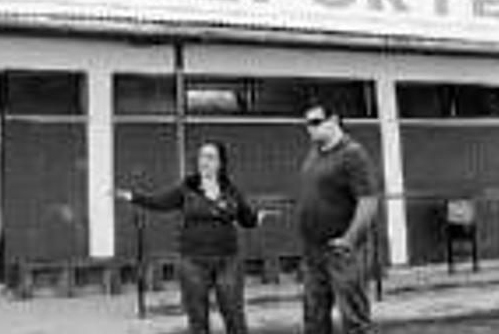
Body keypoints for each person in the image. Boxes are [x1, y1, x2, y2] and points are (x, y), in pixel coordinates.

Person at [114, 141, 272, 334]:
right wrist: (132, 196)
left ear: (220, 162)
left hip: (228, 261)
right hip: (193, 262)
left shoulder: (231, 190)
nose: (204, 161)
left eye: (210, 157)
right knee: (197, 320)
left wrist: (257, 218)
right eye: (201, 156)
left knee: (235, 316)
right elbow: (159, 201)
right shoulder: (187, 188)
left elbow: (246, 218)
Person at [297, 102, 380, 334]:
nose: (309, 128)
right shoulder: (314, 154)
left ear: (333, 120)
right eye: (306, 124)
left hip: (342, 253)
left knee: (354, 320)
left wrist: (349, 240)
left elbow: (369, 200)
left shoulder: (353, 154)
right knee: (314, 318)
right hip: (313, 253)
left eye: (315, 122)